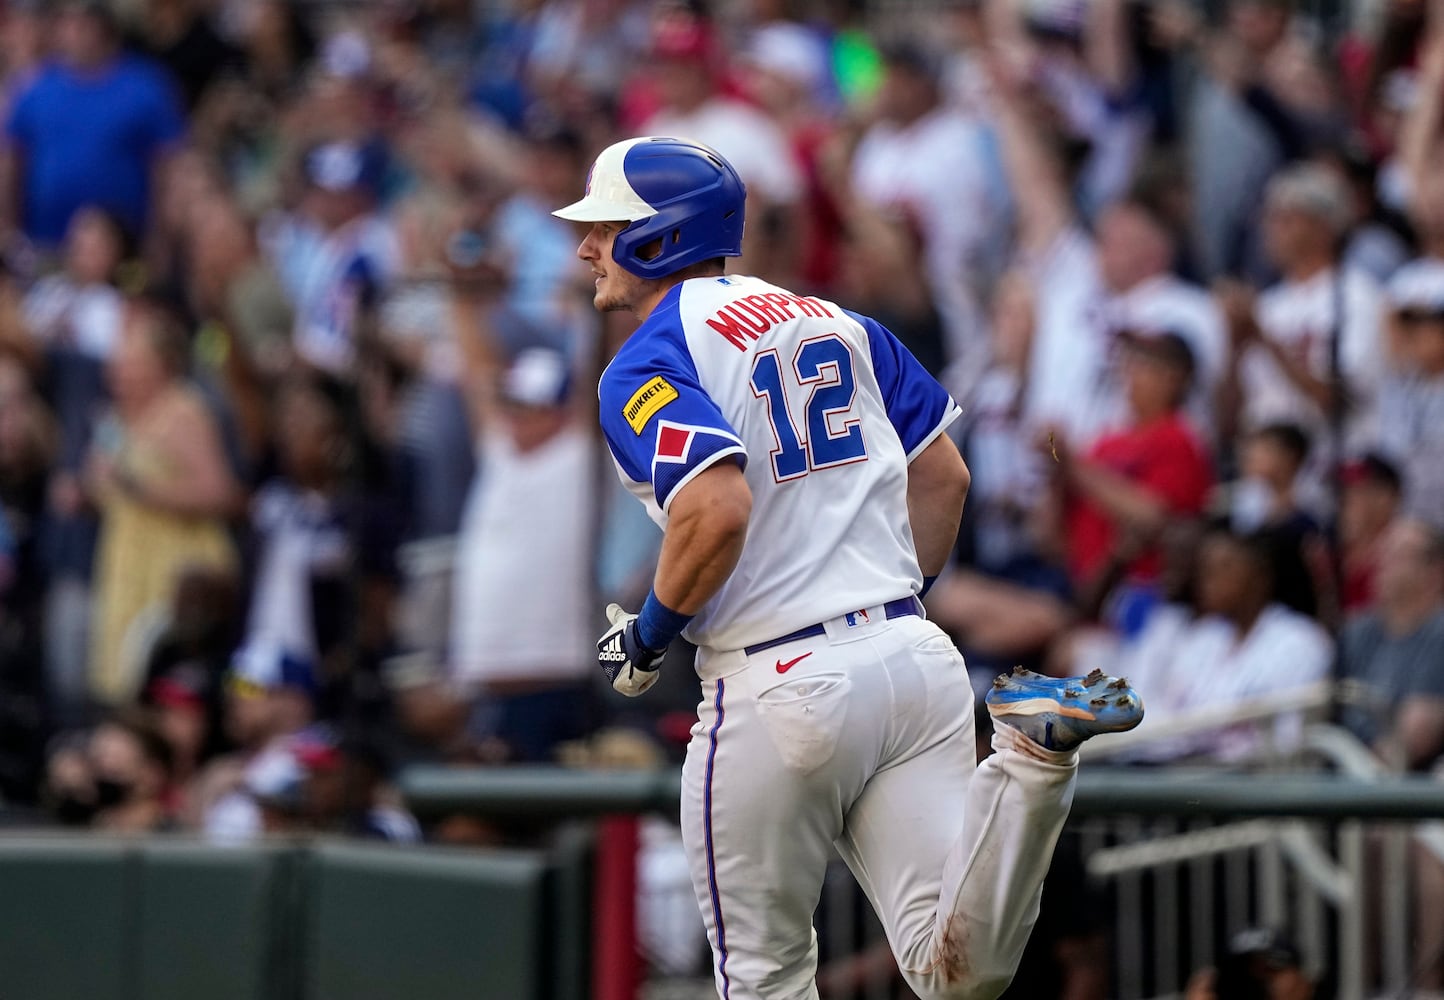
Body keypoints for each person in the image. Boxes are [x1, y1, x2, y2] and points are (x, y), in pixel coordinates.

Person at [553, 135, 1144, 1000]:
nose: (585, 247)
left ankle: (1026, 757)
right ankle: (1030, 761)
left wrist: (645, 640)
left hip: (776, 682)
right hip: (913, 659)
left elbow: (714, 509)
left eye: (605, 226)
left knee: (763, 980)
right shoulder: (841, 320)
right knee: (958, 976)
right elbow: (945, 477)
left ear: (657, 238)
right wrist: (884, 605)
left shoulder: (647, 358)